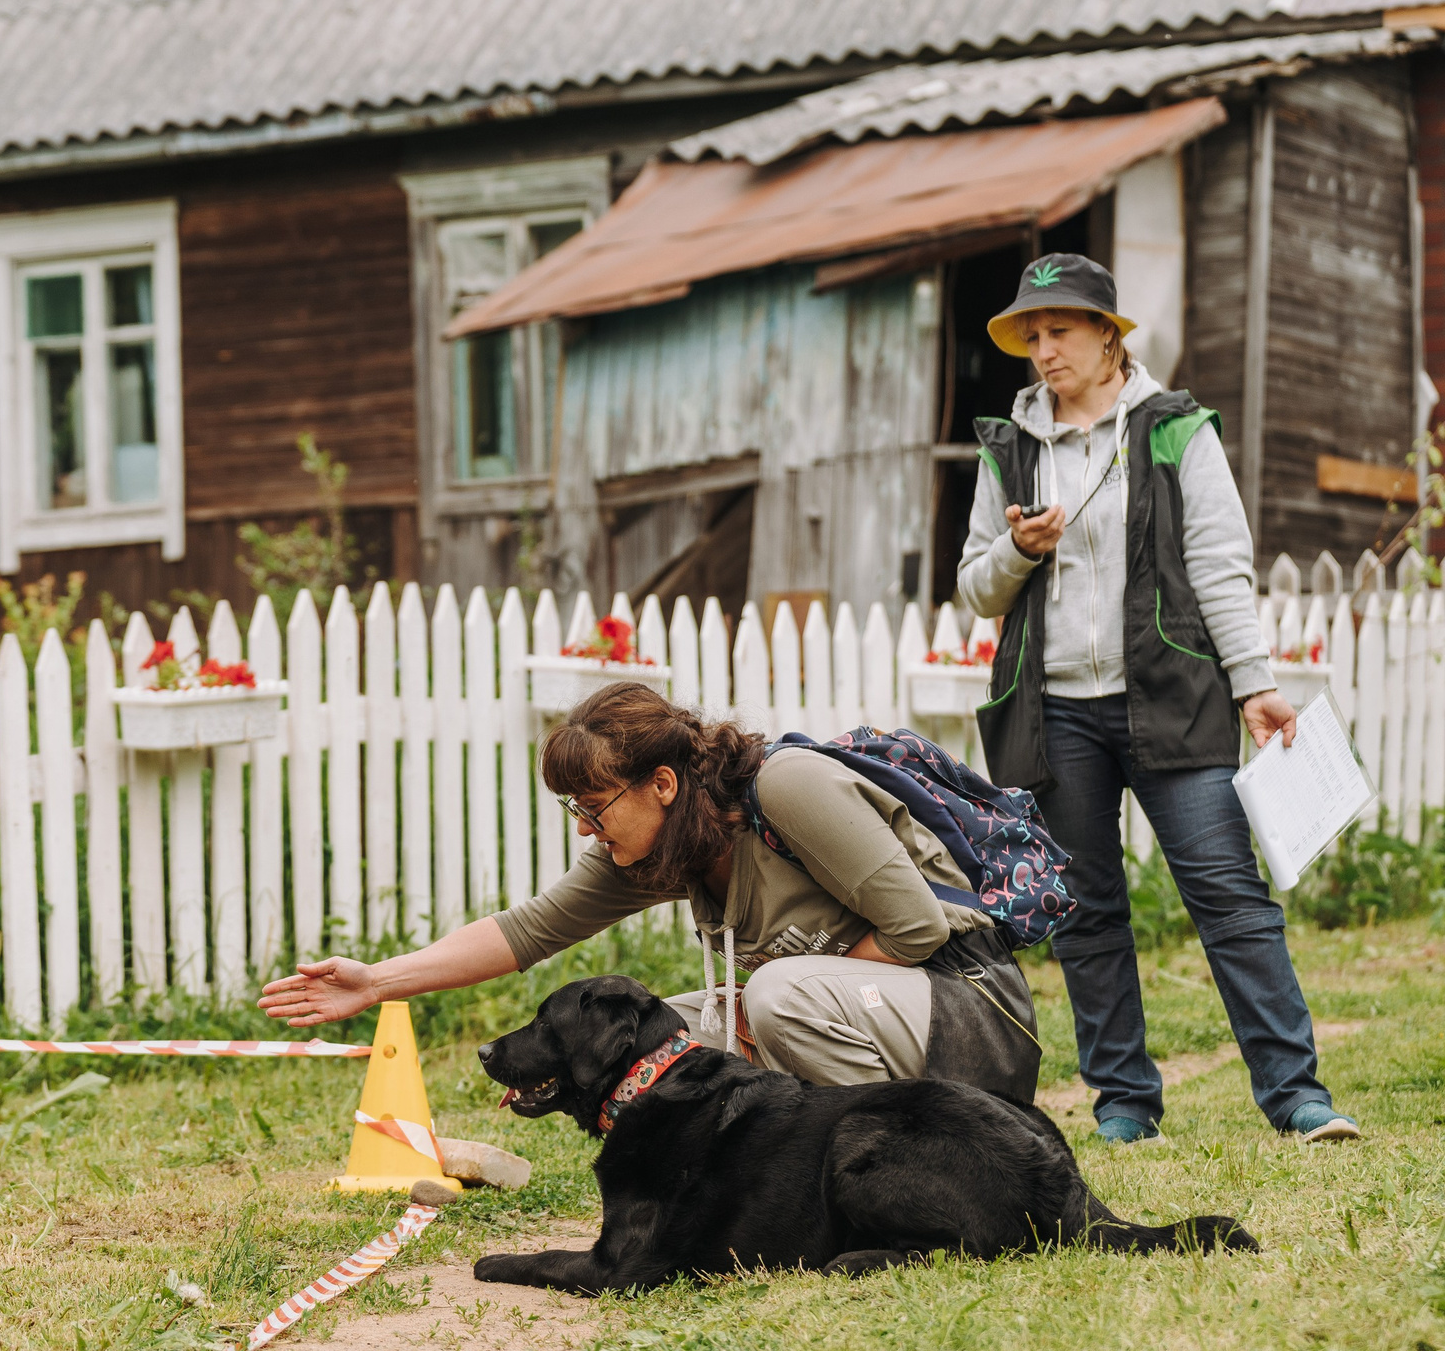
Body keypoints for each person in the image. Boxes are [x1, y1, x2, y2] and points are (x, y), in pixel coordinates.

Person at [956, 252, 1356, 1143]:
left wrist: (1254, 684)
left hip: (1173, 696)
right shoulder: (1008, 446)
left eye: (1061, 330)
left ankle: (1297, 1095)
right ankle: (1125, 1104)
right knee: (1087, 911)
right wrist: (1019, 551)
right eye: (1032, 334)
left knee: (1228, 895)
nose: (1044, 350)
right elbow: (975, 587)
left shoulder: (1176, 430)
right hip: (1056, 713)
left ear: (1108, 335)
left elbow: (1219, 564)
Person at [258, 682, 1043, 1105]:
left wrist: (772, 997)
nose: (584, 828)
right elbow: (527, 930)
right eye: (574, 810)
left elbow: (915, 930)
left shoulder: (788, 788)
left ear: (662, 783)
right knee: (657, 1036)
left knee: (774, 995)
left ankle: (900, 1149)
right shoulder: (656, 850)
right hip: (876, 1021)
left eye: (593, 807)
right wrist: (378, 980)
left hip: (970, 1015)